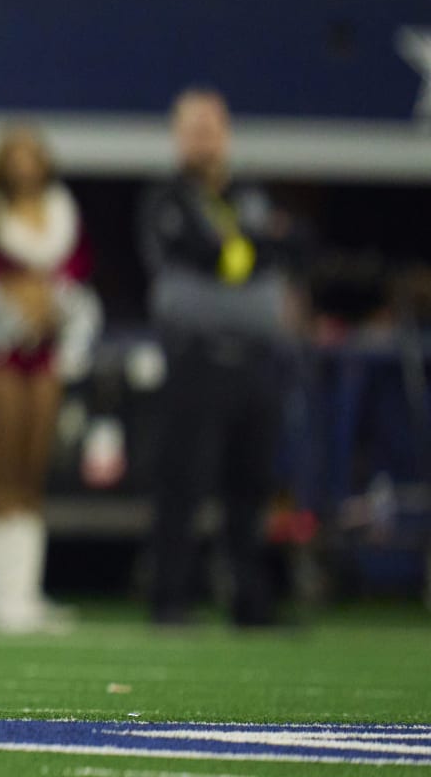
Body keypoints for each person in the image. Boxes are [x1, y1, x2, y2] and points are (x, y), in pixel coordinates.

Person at [139, 88, 294, 627]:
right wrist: (245, 254)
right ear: (178, 136)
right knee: (183, 482)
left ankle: (251, 601)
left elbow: (286, 249)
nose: (204, 137)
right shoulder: (166, 197)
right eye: (193, 127)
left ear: (227, 132)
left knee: (250, 484)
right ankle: (170, 599)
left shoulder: (250, 192)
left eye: (212, 126)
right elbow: (195, 261)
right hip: (195, 358)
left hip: (255, 360)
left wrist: (238, 255)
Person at [0, 124, 99, 633]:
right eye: (14, 156)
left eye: (32, 155)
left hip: (44, 353)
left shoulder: (62, 215)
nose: (24, 165)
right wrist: (11, 305)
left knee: (31, 467)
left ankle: (23, 591)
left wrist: (54, 308)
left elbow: (78, 273)